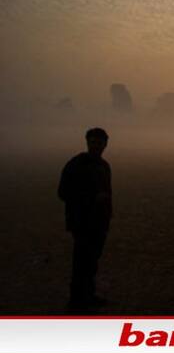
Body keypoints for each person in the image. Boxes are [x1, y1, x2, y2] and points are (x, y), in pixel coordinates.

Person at [58, 127, 112, 311]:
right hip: (82, 222)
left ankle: (88, 295)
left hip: (99, 222)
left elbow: (108, 193)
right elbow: (63, 192)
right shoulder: (76, 164)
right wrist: (91, 198)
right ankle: (76, 301)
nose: (96, 146)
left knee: (92, 261)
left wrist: (107, 217)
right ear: (87, 143)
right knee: (81, 261)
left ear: (105, 145)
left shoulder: (104, 166)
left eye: (99, 143)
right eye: (93, 142)